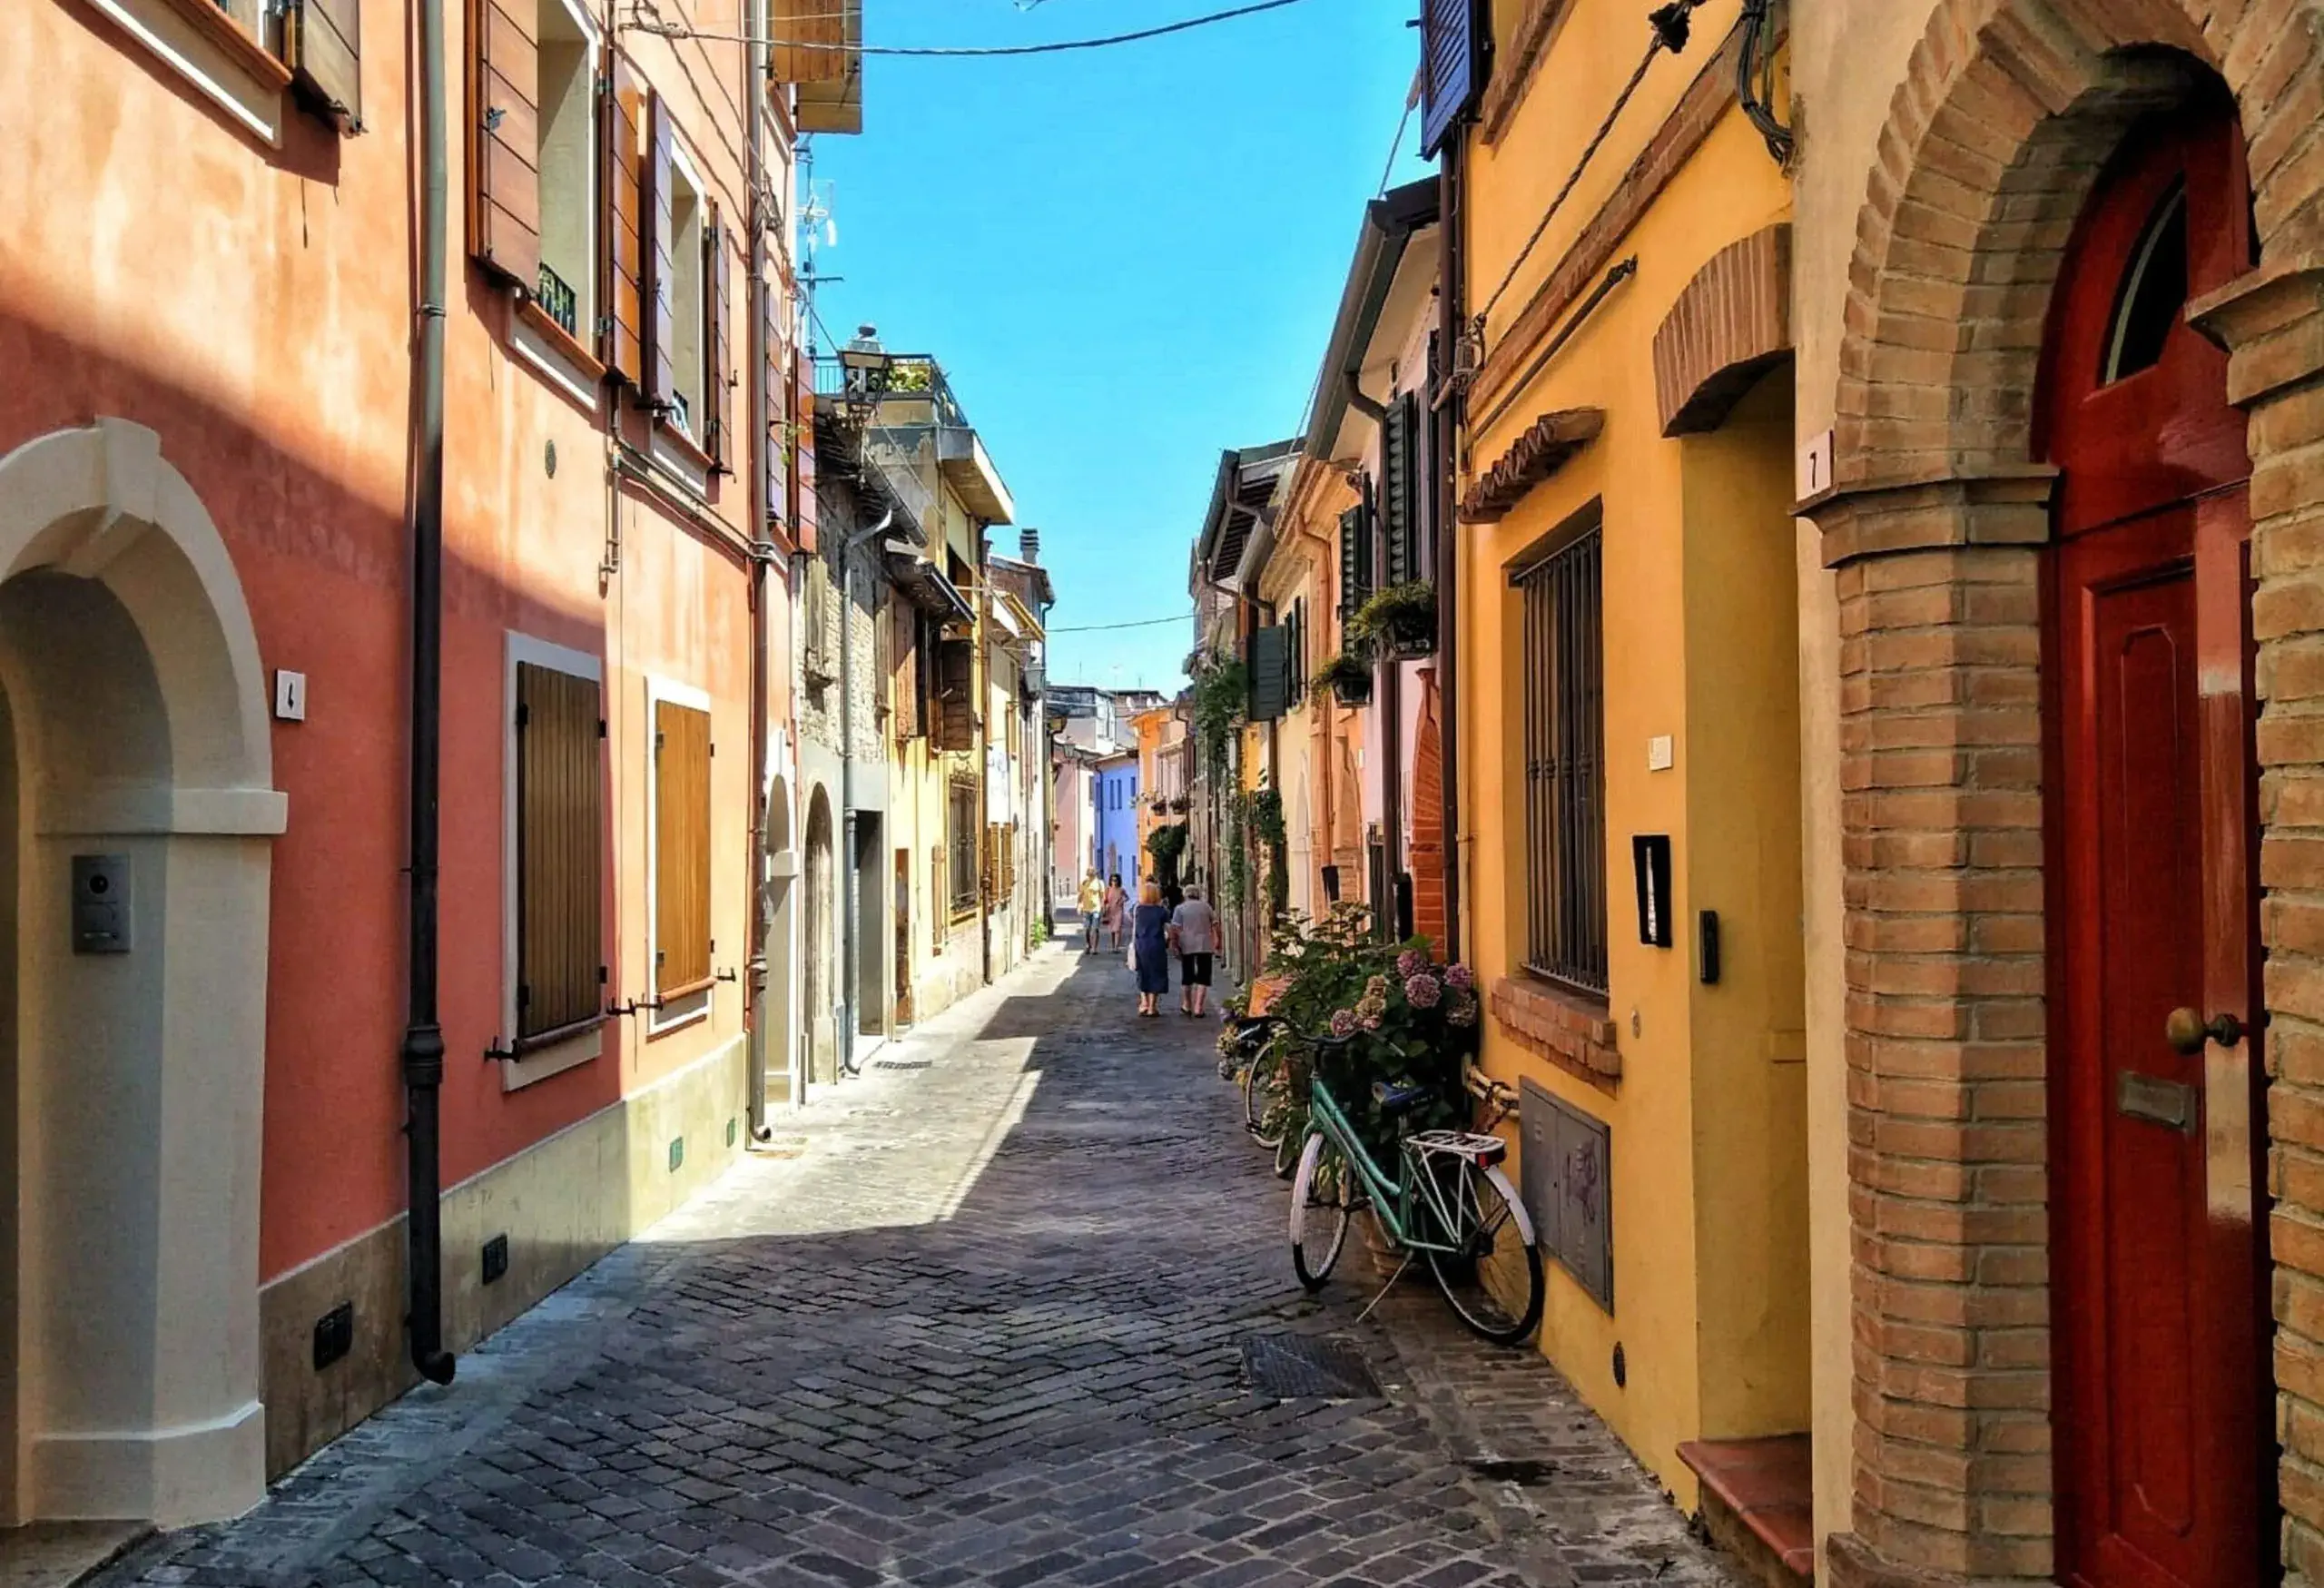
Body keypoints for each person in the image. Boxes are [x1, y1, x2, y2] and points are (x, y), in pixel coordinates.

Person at [1169, 884, 1218, 1017]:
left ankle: (1187, 1005)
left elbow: (1175, 928)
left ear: (1185, 895)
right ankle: (1199, 1008)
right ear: (1198, 894)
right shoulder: (1206, 906)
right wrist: (1216, 941)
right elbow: (1214, 925)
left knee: (1187, 975)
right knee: (1204, 975)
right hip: (1205, 944)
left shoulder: (1180, 909)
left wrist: (1174, 943)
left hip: (1187, 944)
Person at [1131, 881, 1171, 1017]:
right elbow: (1168, 928)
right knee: (1156, 973)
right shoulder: (1161, 911)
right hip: (1156, 945)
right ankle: (1152, 1007)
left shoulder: (1137, 910)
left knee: (1142, 972)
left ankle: (1144, 1003)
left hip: (1141, 944)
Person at [1078, 871, 1103, 954]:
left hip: (1096, 909)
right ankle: (1088, 945)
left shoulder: (1099, 883)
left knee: (1095, 928)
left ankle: (1094, 948)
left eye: (1092, 874)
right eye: (1089, 874)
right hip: (1086, 909)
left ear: (1095, 874)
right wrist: (1079, 905)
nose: (1090, 876)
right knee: (1087, 929)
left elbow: (1102, 896)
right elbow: (1081, 895)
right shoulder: (1085, 883)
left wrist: (1103, 907)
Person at [1101, 873, 1128, 952]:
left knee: (1118, 929)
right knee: (1112, 930)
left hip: (1119, 911)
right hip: (1110, 911)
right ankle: (1113, 946)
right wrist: (1104, 909)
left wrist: (1122, 901)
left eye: (1116, 880)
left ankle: (1116, 947)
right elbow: (1104, 900)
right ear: (1110, 881)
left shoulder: (1121, 890)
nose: (1114, 882)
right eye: (1112, 880)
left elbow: (1127, 897)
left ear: (1118, 881)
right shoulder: (1108, 889)